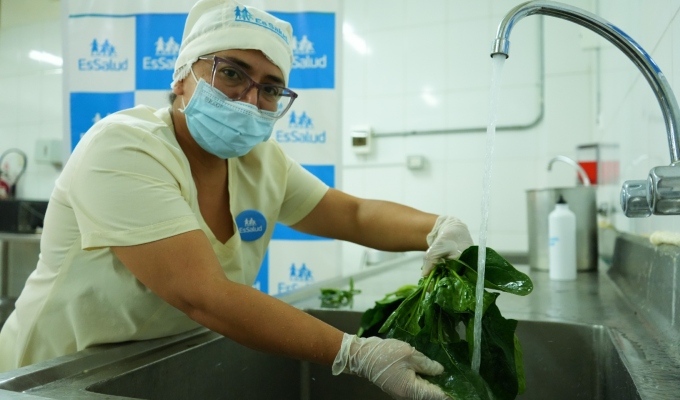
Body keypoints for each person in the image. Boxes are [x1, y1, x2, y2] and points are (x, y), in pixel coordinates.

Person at [0, 0, 473, 398]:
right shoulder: (124, 147)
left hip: (153, 362)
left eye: (270, 89)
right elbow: (204, 295)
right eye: (230, 73)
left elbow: (353, 214)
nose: (249, 100)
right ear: (182, 76)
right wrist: (355, 353)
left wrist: (436, 228)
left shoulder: (260, 162)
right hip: (53, 377)